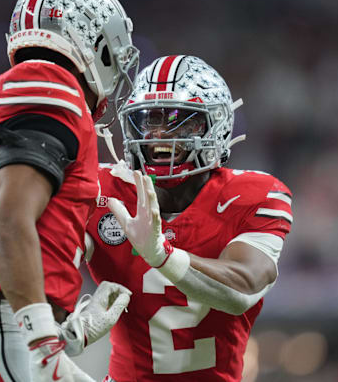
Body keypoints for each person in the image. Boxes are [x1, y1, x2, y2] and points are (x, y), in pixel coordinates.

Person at [0, 0, 139, 381]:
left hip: (3, 332)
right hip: (8, 334)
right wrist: (41, 339)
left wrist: (70, 333)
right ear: (95, 41)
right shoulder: (49, 84)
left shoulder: (5, 92)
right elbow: (9, 223)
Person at [84, 55, 293, 381]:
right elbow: (45, 259)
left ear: (216, 125)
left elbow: (241, 291)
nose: (160, 134)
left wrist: (162, 255)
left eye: (182, 119)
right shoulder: (99, 190)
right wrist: (59, 321)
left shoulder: (253, 194)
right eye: (149, 119)